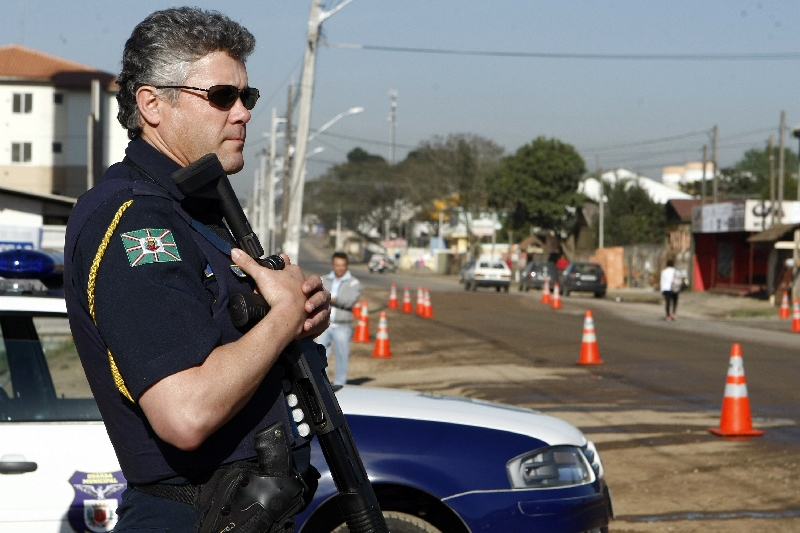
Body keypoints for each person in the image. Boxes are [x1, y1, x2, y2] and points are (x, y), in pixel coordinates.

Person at [63, 8, 330, 533]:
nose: (243, 113)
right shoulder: (138, 221)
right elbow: (184, 413)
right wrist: (281, 317)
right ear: (152, 104)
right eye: (221, 96)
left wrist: (289, 321)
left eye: (245, 97)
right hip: (190, 514)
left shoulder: (194, 209)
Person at [316, 252, 361, 388]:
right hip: (324, 325)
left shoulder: (353, 283)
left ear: (346, 266)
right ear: (333, 265)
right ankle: (322, 384)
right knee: (320, 356)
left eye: (343, 265)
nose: (340, 268)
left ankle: (340, 385)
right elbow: (317, 295)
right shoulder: (323, 279)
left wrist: (329, 298)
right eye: (337, 265)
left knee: (342, 356)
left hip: (343, 326)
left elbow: (349, 301)